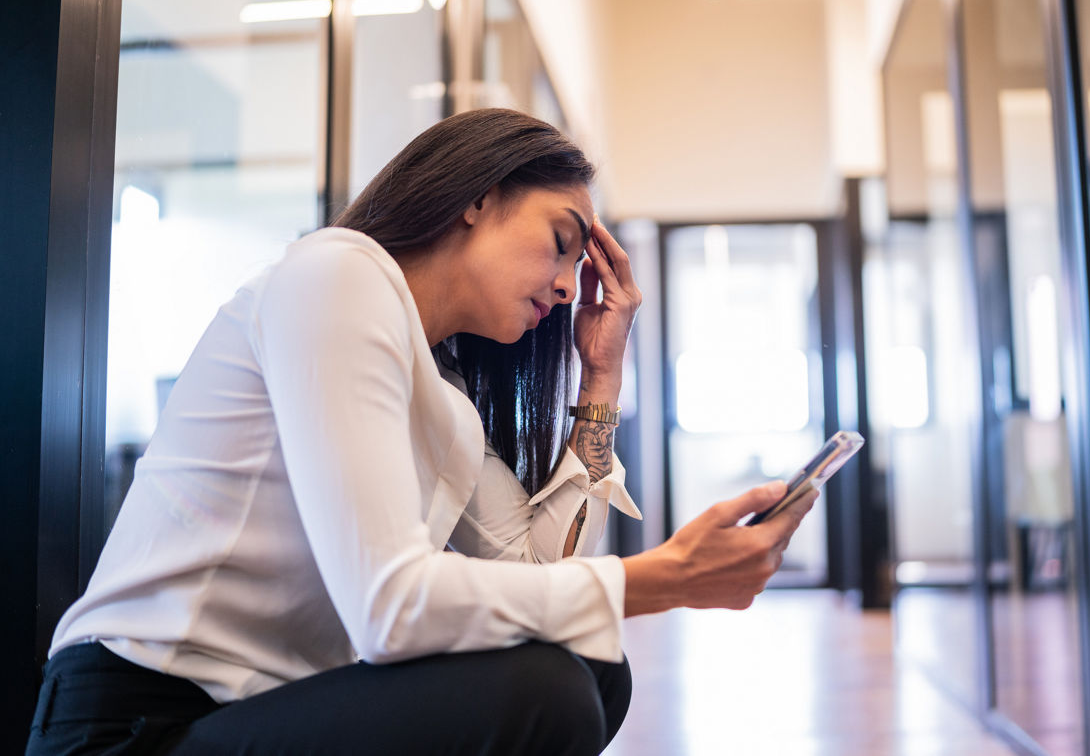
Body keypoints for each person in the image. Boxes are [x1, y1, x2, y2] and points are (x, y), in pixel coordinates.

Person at [26, 108, 819, 756]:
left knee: (586, 670)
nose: (568, 283)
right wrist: (663, 579)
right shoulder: (335, 273)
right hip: (133, 727)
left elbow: (539, 573)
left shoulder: (438, 385)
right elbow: (389, 606)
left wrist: (600, 380)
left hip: (255, 712)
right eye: (562, 243)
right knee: (543, 692)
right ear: (477, 197)